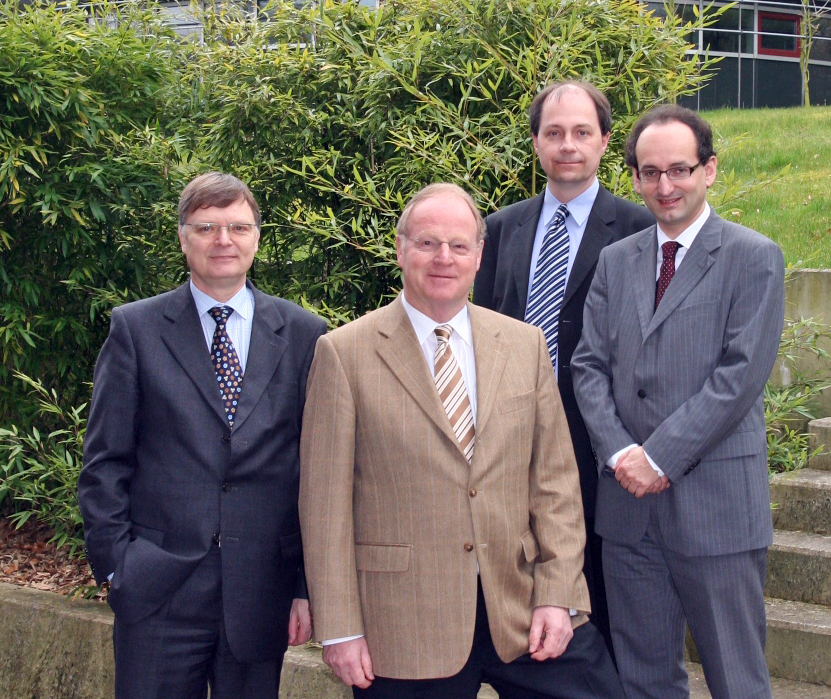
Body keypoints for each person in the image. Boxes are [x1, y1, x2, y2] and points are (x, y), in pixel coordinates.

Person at [299, 183, 624, 699]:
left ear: (479, 255)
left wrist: (558, 593)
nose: (443, 258)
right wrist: (340, 628)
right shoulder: (344, 353)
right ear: (400, 249)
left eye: (458, 245)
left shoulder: (524, 345)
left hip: (521, 607)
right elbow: (325, 507)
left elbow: (556, 484)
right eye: (427, 243)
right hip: (403, 623)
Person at [78, 172, 327, 699]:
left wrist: (305, 587)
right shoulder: (136, 329)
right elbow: (104, 461)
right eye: (207, 227)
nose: (223, 240)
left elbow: (316, 472)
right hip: (157, 588)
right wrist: (118, 567)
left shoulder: (305, 334)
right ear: (182, 237)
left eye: (238, 227)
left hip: (262, 590)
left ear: (257, 237)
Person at [572, 105, 784, 699]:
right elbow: (588, 366)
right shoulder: (616, 261)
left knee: (737, 680)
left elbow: (739, 377)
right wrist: (621, 454)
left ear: (708, 170)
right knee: (643, 681)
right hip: (628, 513)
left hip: (716, 511)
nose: (665, 186)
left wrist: (658, 457)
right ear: (635, 178)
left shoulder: (753, 256)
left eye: (679, 170)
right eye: (650, 172)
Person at [472, 80, 654, 652]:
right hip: (510, 442)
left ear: (604, 141)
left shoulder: (641, 230)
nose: (567, 145)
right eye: (553, 133)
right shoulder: (499, 229)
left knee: (602, 605)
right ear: (535, 143)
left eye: (581, 132)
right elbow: (480, 334)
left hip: (602, 448)